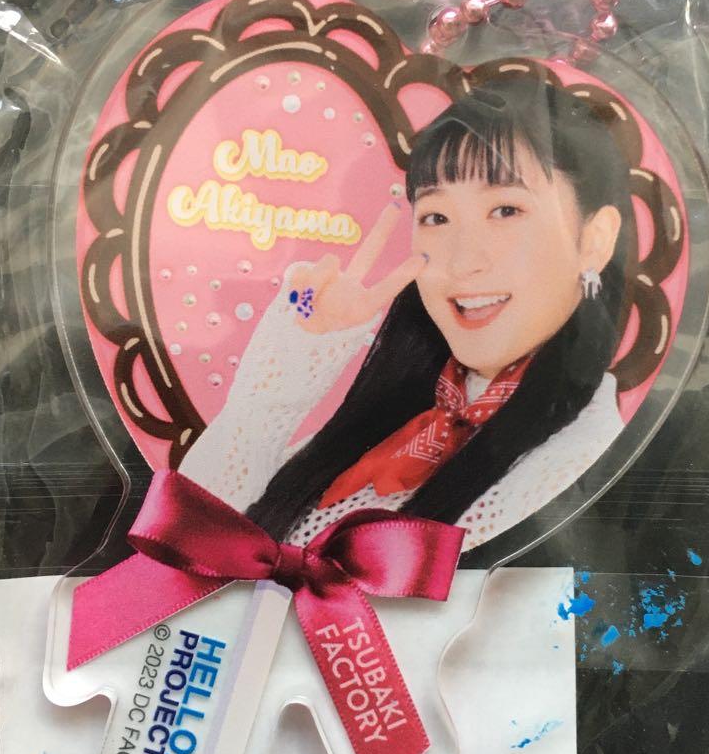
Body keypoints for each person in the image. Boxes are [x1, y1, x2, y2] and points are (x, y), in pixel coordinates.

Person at [182, 75, 633, 551]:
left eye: (505, 210)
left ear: (595, 240)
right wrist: (299, 354)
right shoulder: (395, 418)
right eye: (436, 217)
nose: (462, 260)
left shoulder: (581, 458)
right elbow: (195, 536)